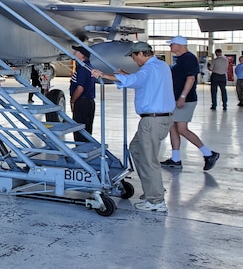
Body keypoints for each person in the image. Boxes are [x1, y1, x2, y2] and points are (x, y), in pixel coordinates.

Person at [91, 42, 174, 213]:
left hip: (152, 121)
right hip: (161, 119)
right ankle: (152, 189)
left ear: (142, 53)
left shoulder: (148, 69)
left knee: (149, 159)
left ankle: (156, 200)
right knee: (135, 149)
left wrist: (103, 75)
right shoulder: (161, 66)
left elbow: (135, 79)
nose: (134, 59)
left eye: (134, 56)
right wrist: (126, 74)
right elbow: (141, 80)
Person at [161, 36, 219, 171]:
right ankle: (175, 159)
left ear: (179, 45)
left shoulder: (189, 59)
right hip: (176, 99)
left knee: (181, 129)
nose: (170, 47)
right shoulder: (180, 60)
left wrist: (182, 96)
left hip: (185, 99)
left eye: (172, 45)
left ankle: (209, 154)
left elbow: (191, 78)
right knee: (173, 127)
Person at [69, 45, 95, 142]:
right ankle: (85, 152)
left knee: (79, 131)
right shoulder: (88, 67)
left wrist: (72, 101)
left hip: (82, 102)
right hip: (89, 102)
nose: (74, 53)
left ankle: (80, 154)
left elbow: (80, 88)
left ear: (82, 56)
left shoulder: (82, 69)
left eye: (76, 52)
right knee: (86, 130)